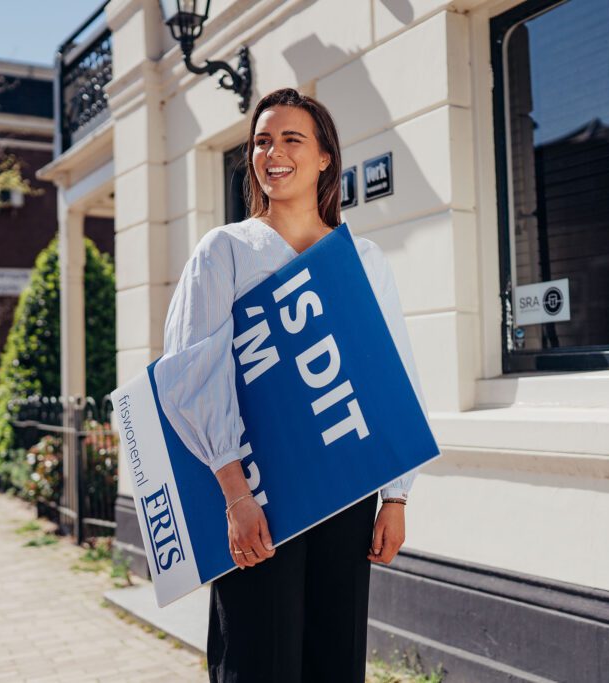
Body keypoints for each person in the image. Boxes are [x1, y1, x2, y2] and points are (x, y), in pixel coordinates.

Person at [153, 88, 428, 682]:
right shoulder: (224, 250)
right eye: (261, 141)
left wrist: (397, 496)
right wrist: (234, 493)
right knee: (259, 657)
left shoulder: (363, 259)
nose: (272, 152)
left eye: (291, 139)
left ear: (326, 156)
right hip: (257, 495)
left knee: (335, 655)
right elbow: (191, 374)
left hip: (347, 489)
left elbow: (392, 375)